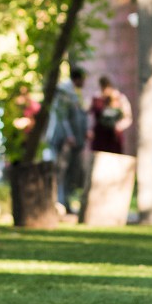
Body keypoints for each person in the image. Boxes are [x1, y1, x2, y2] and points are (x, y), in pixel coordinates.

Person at [49, 65, 90, 215]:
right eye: (83, 79)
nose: (84, 83)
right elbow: (62, 115)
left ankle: (65, 201)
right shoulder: (64, 91)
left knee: (72, 173)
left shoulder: (75, 92)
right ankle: (59, 202)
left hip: (76, 141)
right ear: (77, 78)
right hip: (63, 140)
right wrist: (69, 135)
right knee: (61, 171)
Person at [88, 74, 132, 156]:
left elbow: (128, 116)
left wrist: (119, 126)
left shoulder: (119, 98)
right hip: (99, 136)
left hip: (114, 137)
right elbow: (90, 113)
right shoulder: (97, 98)